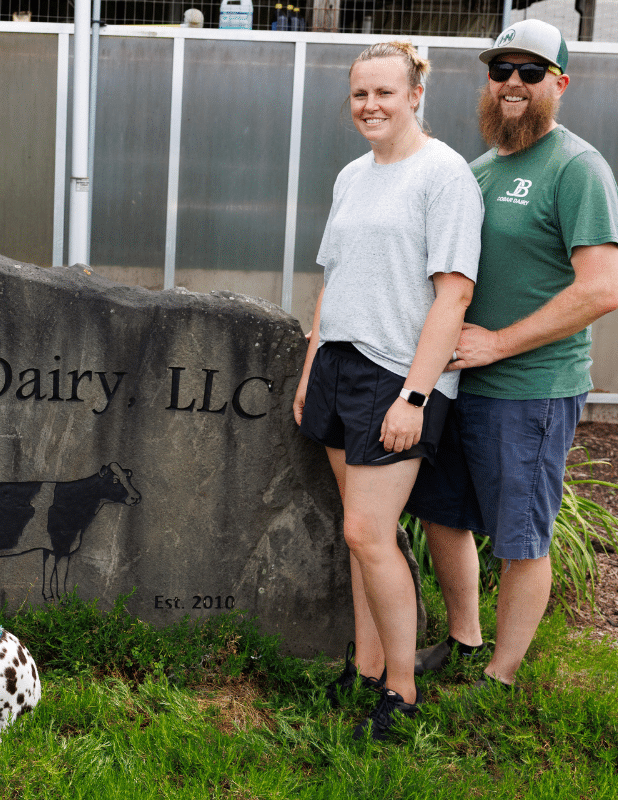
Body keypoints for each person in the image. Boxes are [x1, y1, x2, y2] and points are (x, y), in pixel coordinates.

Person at [406, 19, 618, 690]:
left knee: (521, 538)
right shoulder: (480, 169)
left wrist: (497, 343)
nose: (513, 85)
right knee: (445, 515)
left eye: (530, 72)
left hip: (530, 389)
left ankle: (499, 676)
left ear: (559, 82)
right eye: (502, 71)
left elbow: (601, 289)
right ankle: (466, 641)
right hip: (459, 385)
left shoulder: (576, 168)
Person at [293, 41, 482, 740]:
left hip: (396, 374)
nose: (370, 105)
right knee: (360, 539)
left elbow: (454, 293)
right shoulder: (352, 175)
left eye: (384, 93)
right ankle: (366, 665)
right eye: (359, 95)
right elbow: (332, 283)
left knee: (369, 533)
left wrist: (416, 397)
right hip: (340, 366)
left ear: (416, 96)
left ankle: (401, 693)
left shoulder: (444, 175)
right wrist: (312, 368)